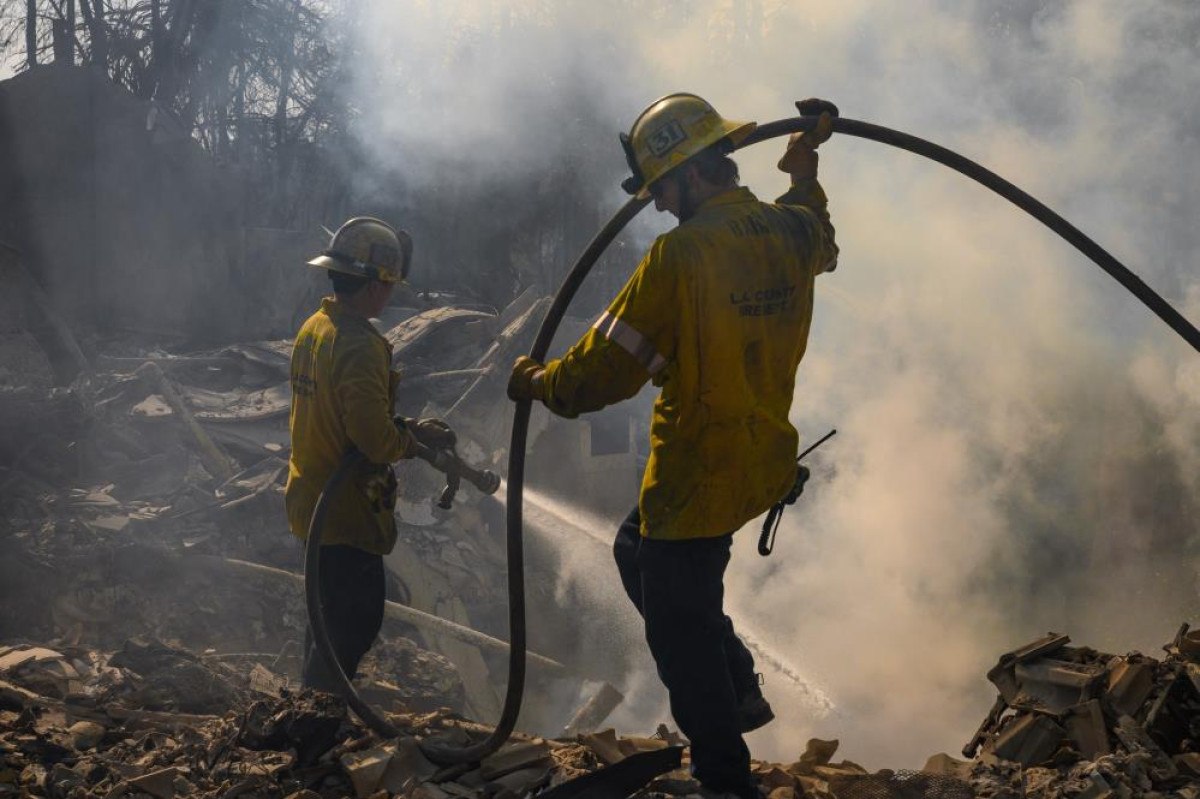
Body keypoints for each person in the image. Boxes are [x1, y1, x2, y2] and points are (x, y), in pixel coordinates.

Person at [507, 94, 839, 799]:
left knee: (678, 633)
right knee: (634, 553)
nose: (655, 205)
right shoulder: (788, 230)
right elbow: (821, 232)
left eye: (660, 187)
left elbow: (601, 372)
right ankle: (739, 684)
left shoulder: (680, 255)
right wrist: (804, 169)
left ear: (690, 174)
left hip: (695, 475)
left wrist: (540, 384)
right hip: (762, 461)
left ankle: (724, 778)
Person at [286, 216, 451, 692]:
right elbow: (374, 441)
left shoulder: (315, 327)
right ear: (377, 284)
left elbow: (343, 411)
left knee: (323, 618)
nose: (392, 294)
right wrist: (408, 443)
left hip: (309, 497)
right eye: (390, 285)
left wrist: (408, 427)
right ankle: (317, 720)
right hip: (345, 511)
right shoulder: (359, 344)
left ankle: (310, 708)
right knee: (355, 621)